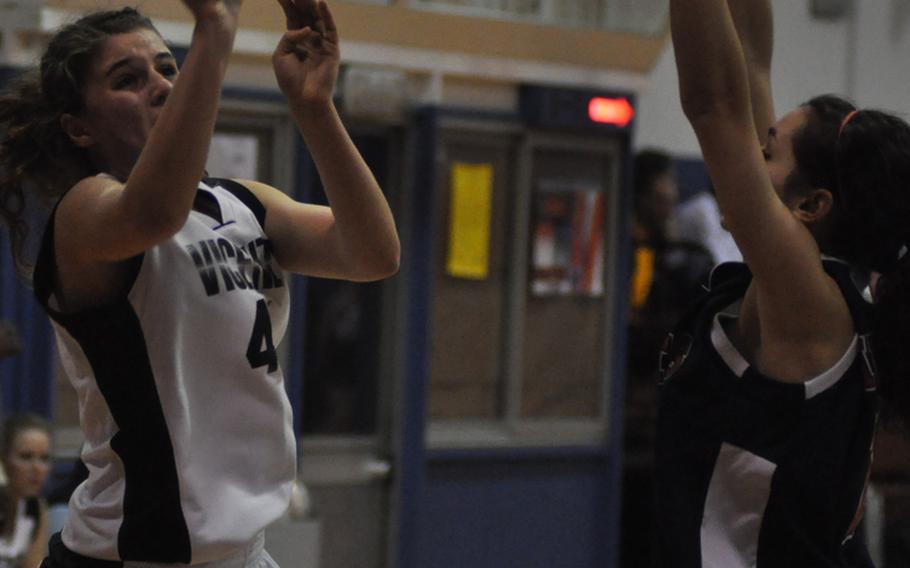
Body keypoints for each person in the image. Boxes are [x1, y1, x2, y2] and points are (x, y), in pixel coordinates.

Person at [0, 0, 399, 565]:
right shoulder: (85, 214)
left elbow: (373, 253)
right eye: (127, 80)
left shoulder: (240, 203)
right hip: (132, 553)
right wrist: (214, 28)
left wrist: (314, 108)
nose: (160, 86)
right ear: (78, 127)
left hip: (244, 550)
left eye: (167, 68)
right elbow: (156, 213)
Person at [656, 0, 910, 565]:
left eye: (765, 153)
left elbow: (714, 103)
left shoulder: (813, 302)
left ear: (812, 206)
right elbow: (751, 65)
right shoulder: (796, 286)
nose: (747, 155)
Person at [0, 414, 50, 568]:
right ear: (4, 459)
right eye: (26, 457)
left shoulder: (36, 508)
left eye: (44, 458)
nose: (37, 468)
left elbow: (32, 565)